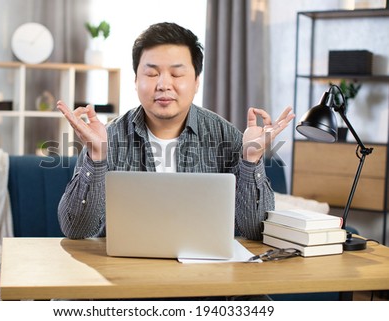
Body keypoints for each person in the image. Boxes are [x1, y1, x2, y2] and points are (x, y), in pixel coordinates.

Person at [57, 22, 295, 241]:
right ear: (135, 79)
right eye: (151, 74)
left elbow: (255, 230)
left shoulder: (225, 136)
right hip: (128, 276)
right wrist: (96, 157)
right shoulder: (108, 138)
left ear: (196, 81)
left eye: (177, 74)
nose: (163, 84)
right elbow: (77, 230)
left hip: (207, 278)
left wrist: (251, 158)